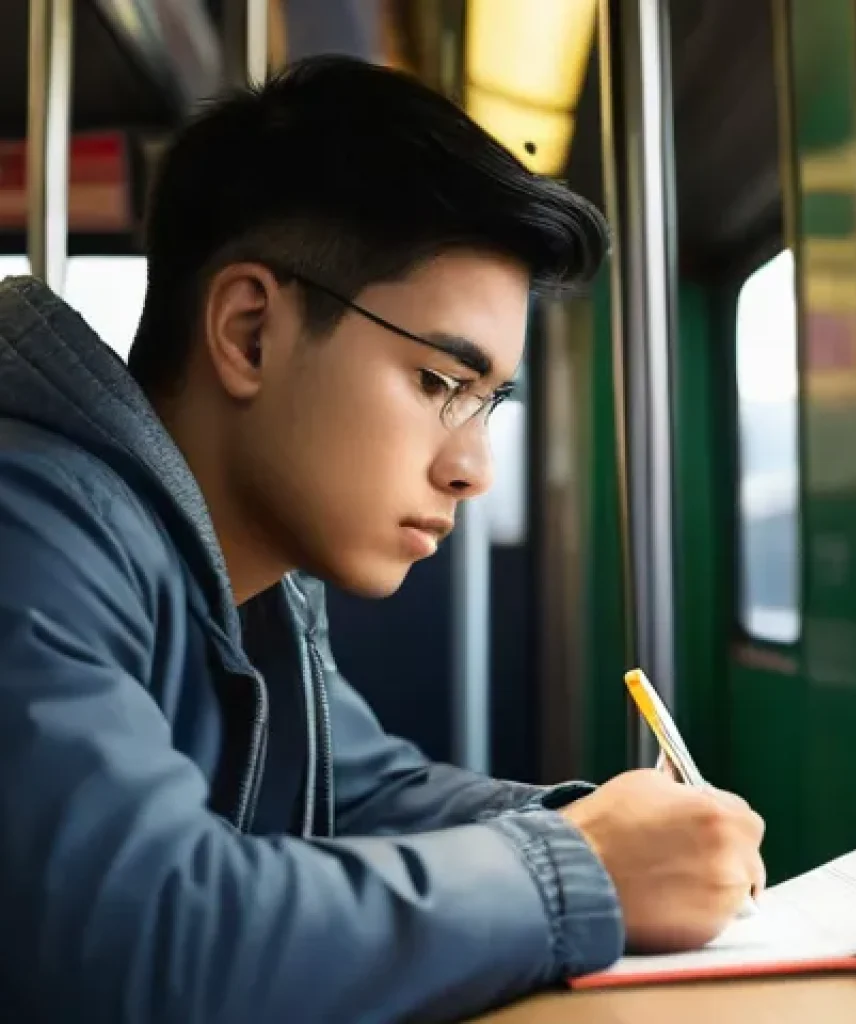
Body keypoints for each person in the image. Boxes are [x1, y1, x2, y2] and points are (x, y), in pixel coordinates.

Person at [0, 55, 765, 1023]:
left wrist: (596, 825)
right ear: (249, 334)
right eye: (440, 383)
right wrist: (583, 868)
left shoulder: (258, 585)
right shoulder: (29, 523)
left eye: (490, 404)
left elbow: (365, 793)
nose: (473, 469)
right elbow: (137, 937)